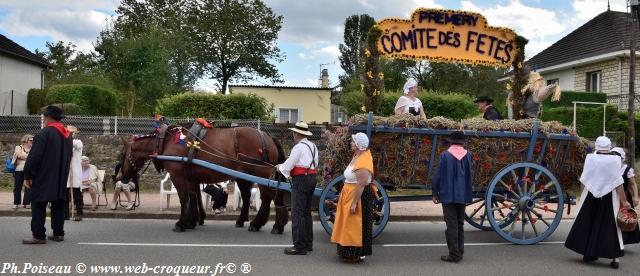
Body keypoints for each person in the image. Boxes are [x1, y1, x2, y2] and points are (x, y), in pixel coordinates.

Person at [565, 136, 630, 269]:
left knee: (589, 222)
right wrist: (624, 202)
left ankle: (588, 253)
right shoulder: (615, 160)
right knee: (611, 225)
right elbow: (618, 183)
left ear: (597, 146)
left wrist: (581, 196)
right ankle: (615, 258)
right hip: (609, 196)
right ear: (609, 146)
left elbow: (585, 178)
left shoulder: (590, 158)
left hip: (591, 195)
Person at [22, 106, 73, 244]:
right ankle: (58, 233)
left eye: (45, 117)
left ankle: (38, 235)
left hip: (44, 175)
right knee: (58, 204)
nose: (44, 119)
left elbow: (35, 156)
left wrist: (28, 175)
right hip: (61, 175)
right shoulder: (68, 135)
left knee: (38, 204)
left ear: (48, 117)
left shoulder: (44, 133)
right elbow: (69, 156)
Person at [331, 132, 374, 263]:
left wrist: (354, 203)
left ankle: (356, 254)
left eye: (353, 141)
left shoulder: (363, 161)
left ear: (360, 145)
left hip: (357, 196)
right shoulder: (357, 155)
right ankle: (346, 251)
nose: (351, 143)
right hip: (349, 193)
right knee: (347, 224)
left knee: (354, 225)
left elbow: (361, 184)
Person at [431, 131, 473, 263]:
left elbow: (437, 176)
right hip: (462, 195)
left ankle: (454, 254)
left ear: (451, 142)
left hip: (448, 195)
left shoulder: (445, 155)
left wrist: (435, 192)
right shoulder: (468, 155)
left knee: (451, 225)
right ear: (462, 142)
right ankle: (459, 251)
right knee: (460, 224)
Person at [277, 121, 318, 255]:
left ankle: (299, 246)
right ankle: (308, 243)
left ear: (297, 133)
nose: (293, 135)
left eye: (293, 132)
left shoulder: (298, 147)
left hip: (301, 180)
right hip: (311, 179)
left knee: (297, 212)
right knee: (306, 212)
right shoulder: (313, 146)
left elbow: (288, 166)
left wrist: (279, 167)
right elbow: (314, 164)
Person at [611, 147, 640, 245]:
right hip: (610, 197)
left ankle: (621, 240)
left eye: (616, 155)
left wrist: (635, 196)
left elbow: (633, 184)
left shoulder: (627, 169)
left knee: (623, 218)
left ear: (621, 158)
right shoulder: (609, 168)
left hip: (623, 197)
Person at [65, 126, 83, 221]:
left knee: (77, 194)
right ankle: (65, 214)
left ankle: (79, 213)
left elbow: (76, 145)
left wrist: (69, 136)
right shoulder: (64, 142)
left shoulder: (78, 142)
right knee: (65, 194)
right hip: (66, 171)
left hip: (75, 172)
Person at [12, 134, 33, 209]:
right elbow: (19, 155)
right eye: (30, 140)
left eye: (32, 140)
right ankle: (16, 202)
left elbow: (35, 157)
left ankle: (27, 203)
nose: (32, 141)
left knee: (28, 186)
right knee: (17, 186)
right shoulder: (19, 147)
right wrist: (29, 156)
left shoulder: (33, 148)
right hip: (19, 169)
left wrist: (24, 156)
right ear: (26, 140)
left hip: (29, 170)